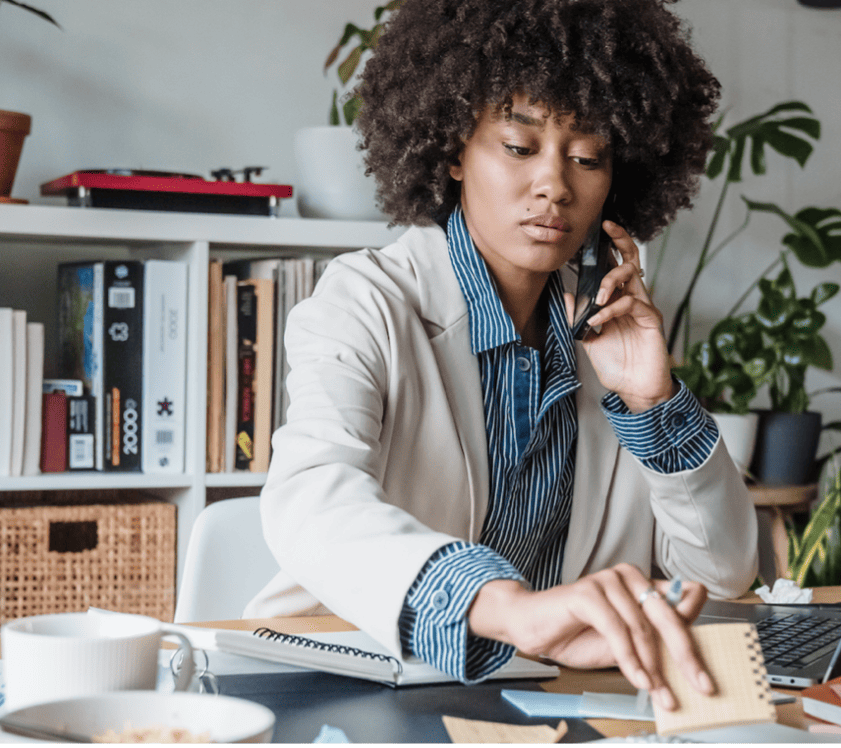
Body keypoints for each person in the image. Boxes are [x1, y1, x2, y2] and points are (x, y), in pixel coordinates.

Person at [246, 0, 757, 710]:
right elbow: (312, 500)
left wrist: (652, 398)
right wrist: (508, 608)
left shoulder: (605, 335)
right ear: (454, 149)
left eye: (586, 157)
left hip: (544, 699)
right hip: (348, 689)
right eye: (519, 147)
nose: (555, 184)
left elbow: (725, 571)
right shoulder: (363, 301)